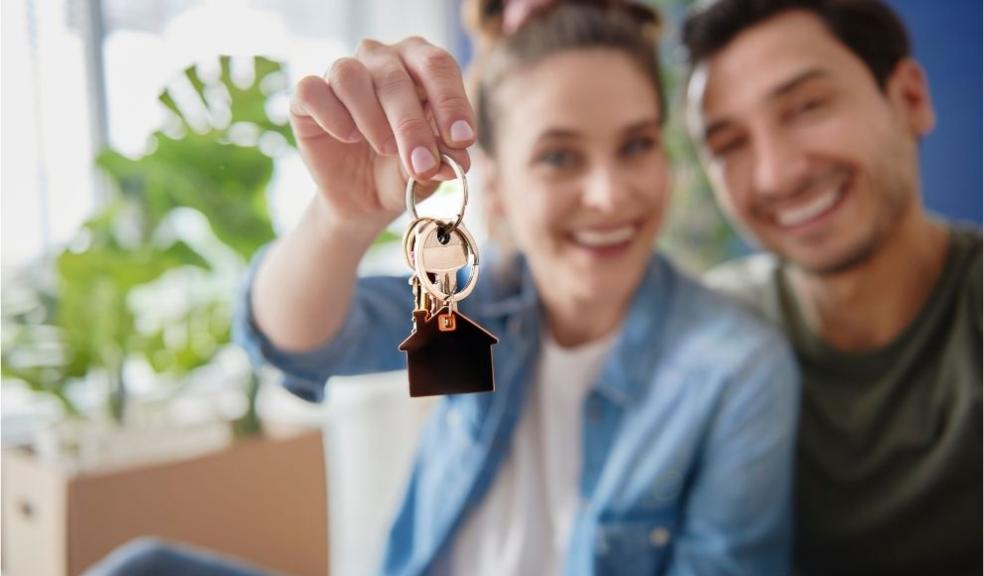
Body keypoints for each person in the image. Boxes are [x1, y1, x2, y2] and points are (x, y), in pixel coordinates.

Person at [85, 4, 799, 575]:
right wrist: (343, 217)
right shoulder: (473, 306)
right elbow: (295, 342)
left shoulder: (732, 368)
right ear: (497, 187)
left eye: (637, 144)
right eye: (558, 156)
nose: (610, 195)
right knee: (142, 566)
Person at [679, 1, 983, 575]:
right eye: (729, 144)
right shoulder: (706, 335)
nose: (776, 174)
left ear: (910, 100)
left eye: (806, 107)